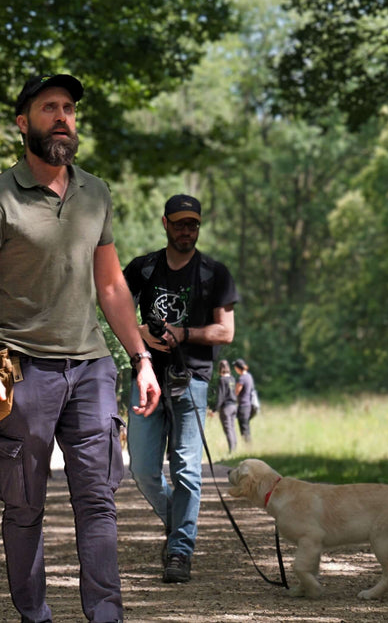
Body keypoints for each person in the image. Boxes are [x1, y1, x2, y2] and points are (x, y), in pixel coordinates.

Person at [0, 73, 160, 623]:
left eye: (69, 108)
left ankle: (107, 616)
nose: (63, 117)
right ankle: (35, 616)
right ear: (24, 123)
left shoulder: (96, 193)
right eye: (50, 108)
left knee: (99, 502)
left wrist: (141, 358)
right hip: (22, 372)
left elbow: (112, 286)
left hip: (91, 368)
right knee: (24, 507)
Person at [122, 194, 238, 584]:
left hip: (194, 378)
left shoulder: (214, 273)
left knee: (187, 468)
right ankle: (179, 528)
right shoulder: (143, 268)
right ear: (165, 223)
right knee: (141, 469)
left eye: (193, 224)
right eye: (179, 223)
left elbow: (226, 331)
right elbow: (115, 308)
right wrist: (140, 333)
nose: (186, 231)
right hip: (146, 376)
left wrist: (184, 333)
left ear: (199, 226)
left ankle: (179, 551)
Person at [215, 359, 239, 453]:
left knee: (228, 429)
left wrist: (215, 409)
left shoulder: (222, 380)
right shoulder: (232, 378)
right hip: (234, 406)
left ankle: (231, 450)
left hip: (226, 408)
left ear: (220, 368)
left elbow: (221, 395)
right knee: (232, 428)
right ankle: (234, 448)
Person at [234, 358, 258, 444]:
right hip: (249, 405)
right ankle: (249, 446)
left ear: (238, 368)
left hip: (243, 406)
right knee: (246, 427)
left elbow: (236, 392)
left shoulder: (242, 378)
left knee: (243, 428)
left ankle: (248, 446)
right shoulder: (249, 376)